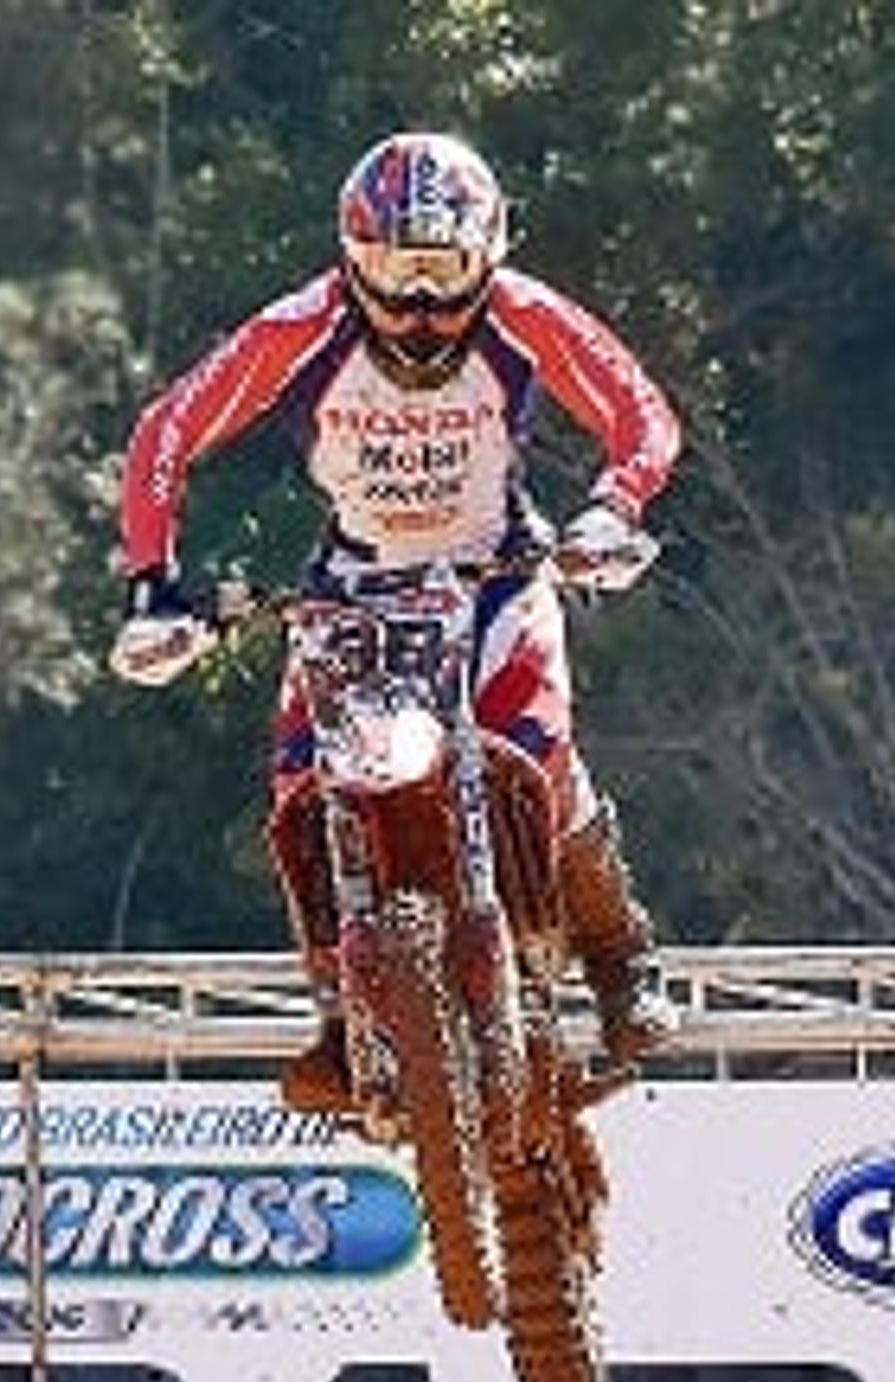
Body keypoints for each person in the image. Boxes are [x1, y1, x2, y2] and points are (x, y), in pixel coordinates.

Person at [109, 129, 688, 1114]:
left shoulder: (521, 314)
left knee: (539, 750)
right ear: (351, 254)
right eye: (393, 268)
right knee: (299, 784)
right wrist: (154, 585)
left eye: (442, 268)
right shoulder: (303, 327)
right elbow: (169, 430)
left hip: (496, 570)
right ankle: (340, 1012)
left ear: (490, 251)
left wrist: (613, 507)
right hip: (353, 587)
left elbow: (641, 413)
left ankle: (619, 956)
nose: (419, 302)